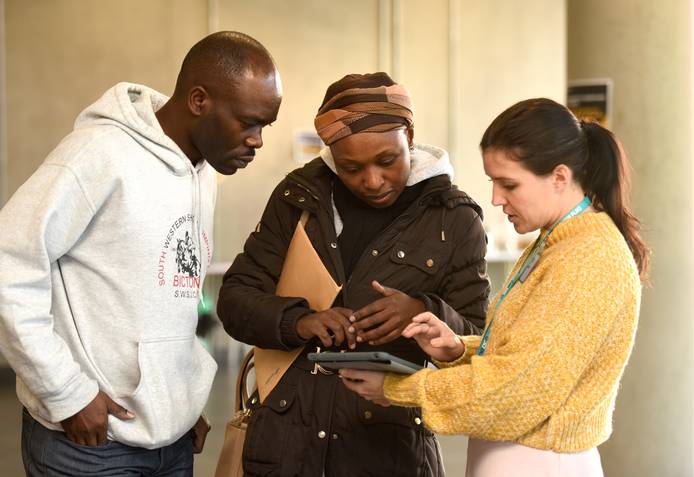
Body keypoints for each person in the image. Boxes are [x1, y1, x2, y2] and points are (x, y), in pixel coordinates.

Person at [0, 31, 282, 476]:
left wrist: (177, 402)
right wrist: (65, 392)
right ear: (198, 101)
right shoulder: (99, 154)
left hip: (171, 441)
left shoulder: (202, 172)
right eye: (248, 122)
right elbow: (8, 264)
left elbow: (169, 296)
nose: (258, 140)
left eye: (265, 126)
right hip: (91, 443)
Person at [341, 98, 649, 477]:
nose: (495, 198)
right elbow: (529, 356)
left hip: (541, 463)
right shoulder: (558, 240)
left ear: (559, 177)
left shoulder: (587, 255)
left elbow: (518, 391)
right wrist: (456, 349)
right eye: (493, 182)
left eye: (509, 184)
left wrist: (398, 389)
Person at [217, 72, 490, 476]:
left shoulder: (455, 219)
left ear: (409, 136)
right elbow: (236, 298)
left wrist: (422, 311)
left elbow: (476, 344)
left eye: (387, 161)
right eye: (351, 167)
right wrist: (300, 321)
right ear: (330, 153)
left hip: (387, 452)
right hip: (285, 447)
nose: (373, 181)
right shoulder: (297, 199)